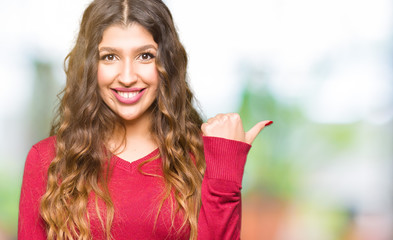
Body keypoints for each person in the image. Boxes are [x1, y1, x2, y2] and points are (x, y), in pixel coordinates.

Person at [18, 0, 273, 239]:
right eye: (110, 57)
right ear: (89, 67)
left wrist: (225, 164)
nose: (127, 77)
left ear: (167, 63)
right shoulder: (48, 159)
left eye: (145, 56)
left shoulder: (201, 157)